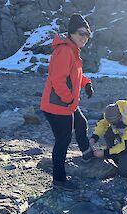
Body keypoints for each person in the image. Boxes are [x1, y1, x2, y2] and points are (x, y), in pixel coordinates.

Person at [40, 14, 94, 191]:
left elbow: (75, 74)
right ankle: (59, 179)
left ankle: (87, 154)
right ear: (71, 32)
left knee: (81, 122)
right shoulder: (65, 51)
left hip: (64, 104)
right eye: (81, 33)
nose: (84, 37)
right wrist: (69, 99)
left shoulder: (72, 50)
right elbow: (57, 80)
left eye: (87, 34)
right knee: (63, 140)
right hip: (57, 105)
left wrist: (86, 83)